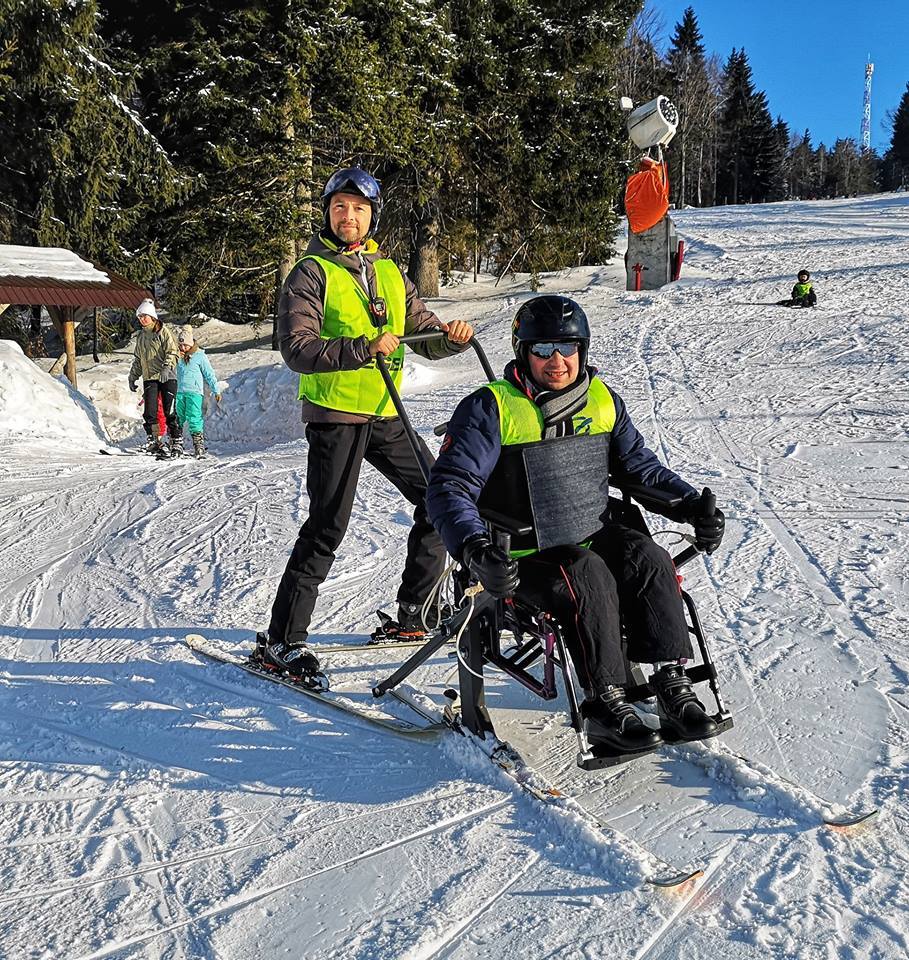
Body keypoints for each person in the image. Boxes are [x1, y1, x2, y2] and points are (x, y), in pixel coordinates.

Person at [426, 295, 726, 753]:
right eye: (542, 349)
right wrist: (473, 549)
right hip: (524, 550)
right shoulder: (490, 408)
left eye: (567, 348)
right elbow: (450, 487)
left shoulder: (604, 400)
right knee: (585, 572)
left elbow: (638, 468)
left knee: (648, 557)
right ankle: (605, 705)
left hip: (586, 527)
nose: (557, 360)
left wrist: (688, 505)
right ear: (522, 352)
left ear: (582, 349)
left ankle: (671, 680)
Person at [255, 167, 474, 680]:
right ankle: (282, 641)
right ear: (328, 214)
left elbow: (422, 332)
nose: (347, 217)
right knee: (327, 526)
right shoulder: (311, 273)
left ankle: (415, 613)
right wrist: (362, 348)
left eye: (357, 208)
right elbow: (297, 348)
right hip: (336, 417)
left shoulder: (392, 272)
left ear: (372, 215)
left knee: (438, 499)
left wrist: (452, 337)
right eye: (339, 208)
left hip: (384, 412)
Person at [128, 298, 180, 455]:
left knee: (168, 410)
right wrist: (133, 376)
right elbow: (138, 359)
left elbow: (173, 351)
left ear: (152, 316)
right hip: (150, 377)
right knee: (149, 412)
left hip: (167, 377)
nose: (142, 319)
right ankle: (154, 440)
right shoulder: (141, 336)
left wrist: (166, 367)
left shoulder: (163, 332)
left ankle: (176, 440)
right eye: (139, 316)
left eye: (144, 316)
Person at [174, 326, 221, 459]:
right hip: (179, 392)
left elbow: (209, 374)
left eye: (185, 345)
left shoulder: (199, 356)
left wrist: (216, 389)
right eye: (180, 345)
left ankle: (198, 444)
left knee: (194, 417)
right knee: (178, 417)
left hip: (194, 393)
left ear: (191, 344)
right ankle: (176, 442)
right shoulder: (177, 356)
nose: (182, 348)